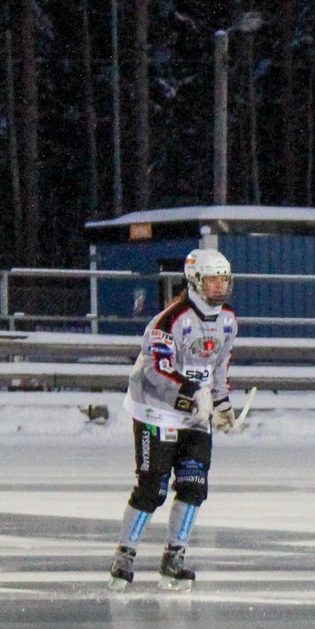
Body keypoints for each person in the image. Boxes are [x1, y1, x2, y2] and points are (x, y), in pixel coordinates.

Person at [109, 248, 239, 591]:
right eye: (212, 281)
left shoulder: (228, 320)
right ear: (195, 282)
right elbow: (155, 370)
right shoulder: (170, 321)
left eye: (223, 280)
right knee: (153, 488)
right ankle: (125, 555)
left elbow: (220, 364)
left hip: (197, 411)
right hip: (157, 409)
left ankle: (175, 556)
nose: (219, 288)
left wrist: (222, 403)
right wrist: (188, 394)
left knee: (195, 486)